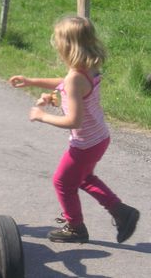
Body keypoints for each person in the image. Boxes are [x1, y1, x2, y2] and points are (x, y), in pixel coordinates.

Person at [9, 15, 140, 243]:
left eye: (58, 42)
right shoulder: (89, 68)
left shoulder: (74, 78)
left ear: (66, 46)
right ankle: (122, 212)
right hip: (99, 138)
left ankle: (75, 227)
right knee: (84, 178)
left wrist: (42, 116)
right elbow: (65, 84)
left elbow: (74, 121)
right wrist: (31, 81)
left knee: (62, 182)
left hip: (85, 143)